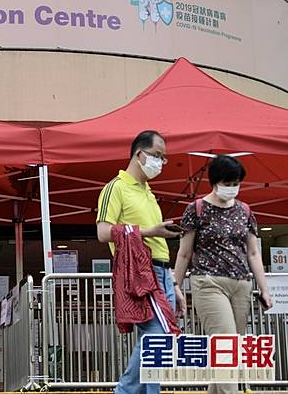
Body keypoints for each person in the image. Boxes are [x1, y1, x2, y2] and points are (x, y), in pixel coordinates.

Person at [174, 155, 273, 394]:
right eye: (227, 183)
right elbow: (184, 253)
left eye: (236, 183)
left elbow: (253, 253)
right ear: (215, 181)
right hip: (208, 282)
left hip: (241, 284)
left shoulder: (244, 211)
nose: (232, 188)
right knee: (226, 344)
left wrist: (264, 289)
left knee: (230, 349)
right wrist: (175, 285)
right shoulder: (196, 209)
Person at [96, 130, 183, 394]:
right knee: (157, 338)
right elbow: (102, 232)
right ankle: (123, 391)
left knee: (157, 341)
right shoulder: (115, 187)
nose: (160, 162)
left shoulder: (149, 192)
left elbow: (156, 242)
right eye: (157, 155)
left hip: (161, 272)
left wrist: (174, 282)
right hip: (142, 272)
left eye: (163, 158)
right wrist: (149, 231)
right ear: (139, 153)